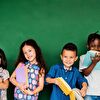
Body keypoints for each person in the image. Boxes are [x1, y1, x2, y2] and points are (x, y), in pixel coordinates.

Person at [79, 32, 100, 100]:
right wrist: (94, 63)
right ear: (88, 46)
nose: (96, 48)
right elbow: (85, 73)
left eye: (99, 46)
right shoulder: (83, 58)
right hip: (89, 92)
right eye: (93, 46)